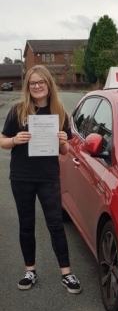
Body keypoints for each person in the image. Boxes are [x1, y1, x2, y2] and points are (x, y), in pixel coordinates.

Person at [0, 65, 81, 294]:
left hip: (48, 176)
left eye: (40, 82)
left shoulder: (59, 112)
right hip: (21, 176)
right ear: (28, 86)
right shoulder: (18, 110)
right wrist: (15, 140)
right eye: (32, 83)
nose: (36, 86)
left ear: (48, 85)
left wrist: (63, 140)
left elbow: (64, 151)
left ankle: (66, 273)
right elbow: (2, 141)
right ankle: (30, 270)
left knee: (55, 224)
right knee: (26, 224)